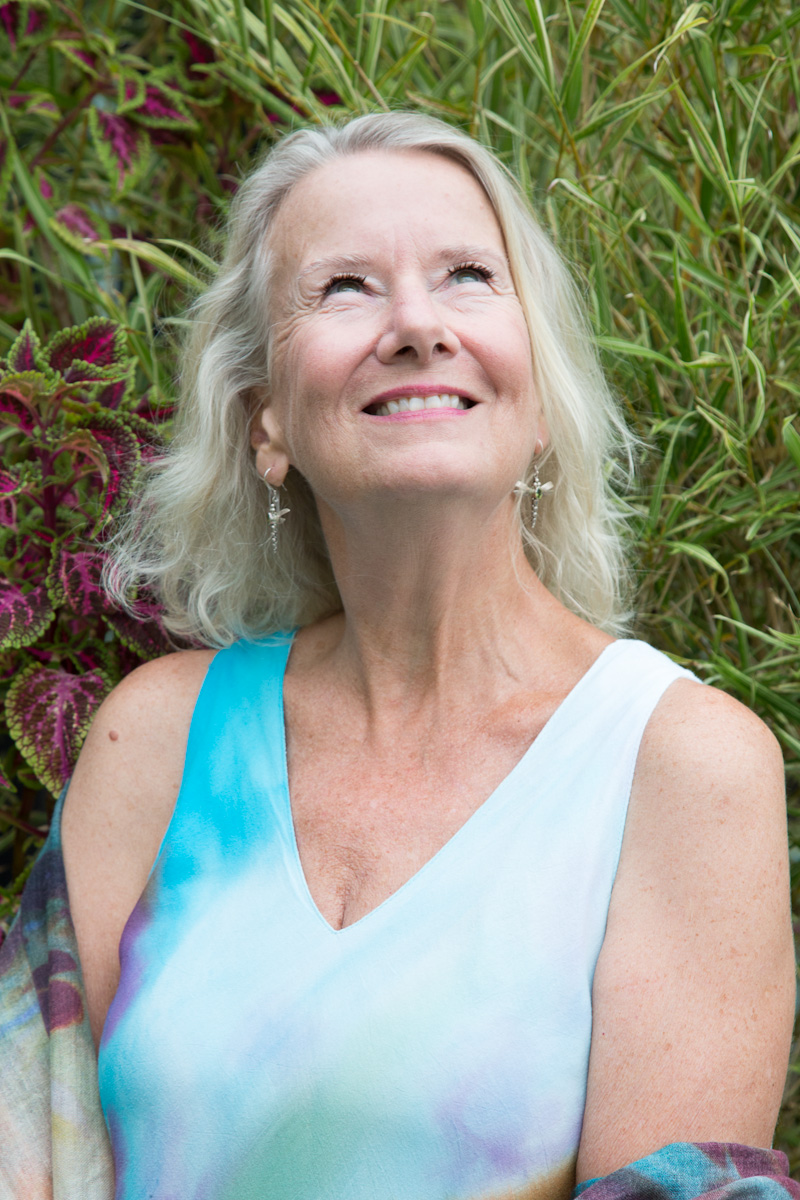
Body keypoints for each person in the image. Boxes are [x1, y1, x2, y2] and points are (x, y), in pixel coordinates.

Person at [0, 112, 795, 1200]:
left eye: (467, 276)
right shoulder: (157, 739)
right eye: (344, 288)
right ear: (265, 421)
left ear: (539, 397)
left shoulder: (680, 765)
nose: (417, 325)